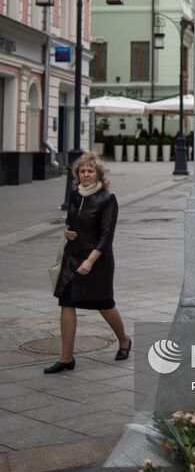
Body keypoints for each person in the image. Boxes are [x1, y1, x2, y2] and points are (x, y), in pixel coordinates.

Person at [44, 153, 130, 373]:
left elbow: (106, 236)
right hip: (72, 256)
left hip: (97, 260)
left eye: (90, 171)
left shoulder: (107, 199)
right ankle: (66, 358)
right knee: (67, 301)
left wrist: (90, 261)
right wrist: (68, 231)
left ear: (98, 174)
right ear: (77, 175)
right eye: (82, 171)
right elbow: (71, 221)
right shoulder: (74, 196)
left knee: (104, 303)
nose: (86, 174)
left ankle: (124, 340)